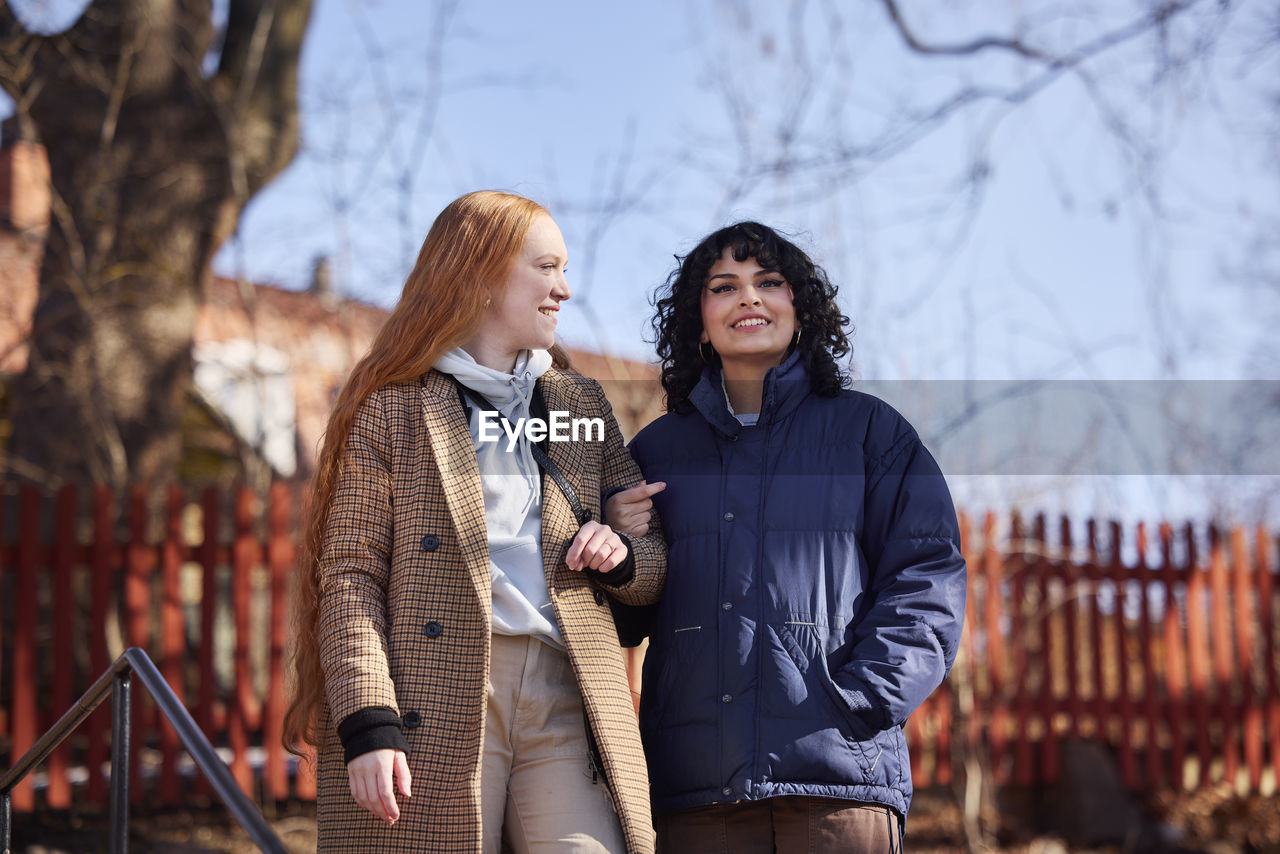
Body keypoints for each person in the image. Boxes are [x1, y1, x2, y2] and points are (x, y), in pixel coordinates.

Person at [284, 190, 666, 854]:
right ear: (482, 274)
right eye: (546, 268)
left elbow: (651, 564)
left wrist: (622, 551)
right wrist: (368, 723)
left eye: (565, 269)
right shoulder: (393, 407)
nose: (565, 289)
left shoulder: (577, 404)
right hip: (435, 695)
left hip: (567, 693)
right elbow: (350, 578)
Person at [606, 222, 966, 852]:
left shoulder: (871, 434)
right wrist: (620, 549)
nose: (749, 298)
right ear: (699, 321)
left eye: (768, 282)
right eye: (724, 287)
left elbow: (927, 577)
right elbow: (620, 622)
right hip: (696, 797)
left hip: (839, 789)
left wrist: (862, 699)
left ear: (801, 309)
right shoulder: (653, 453)